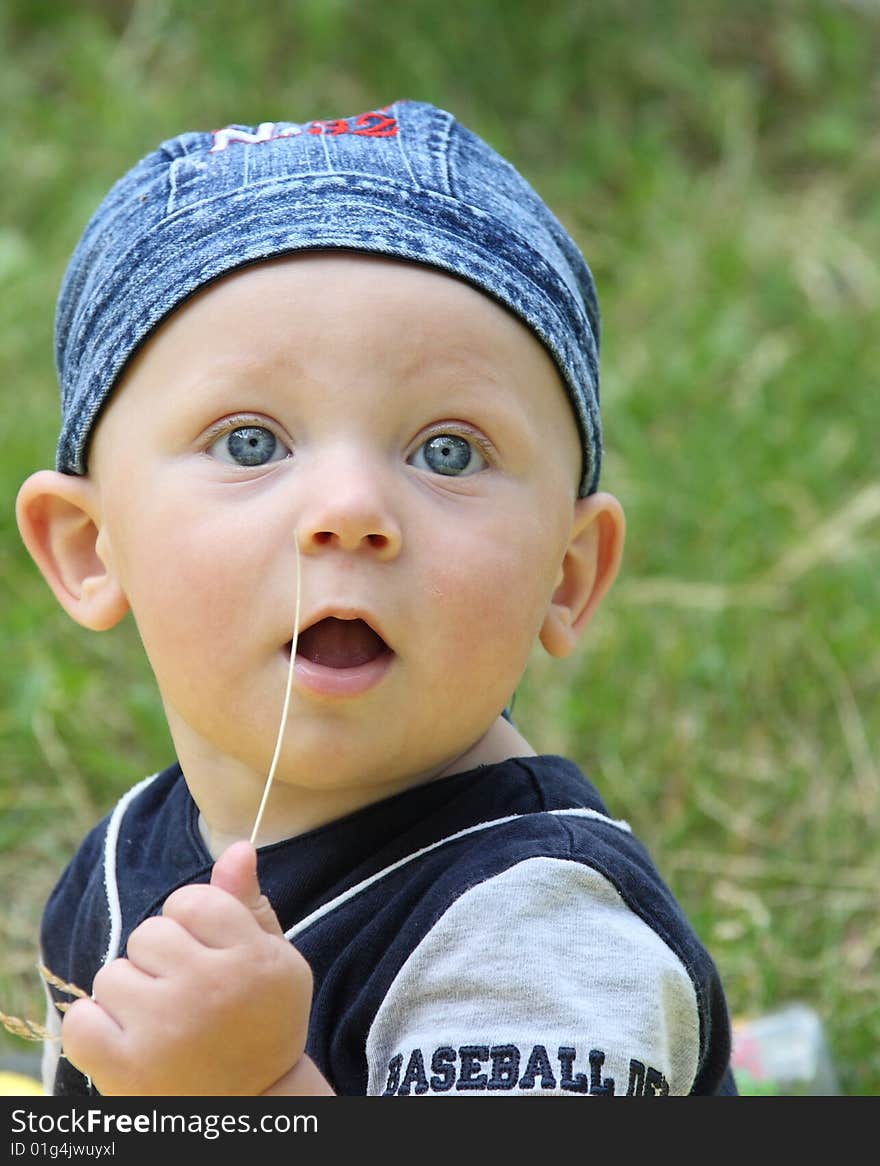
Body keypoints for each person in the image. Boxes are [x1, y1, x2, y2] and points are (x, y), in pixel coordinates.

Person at [16, 100, 737, 1097]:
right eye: (250, 442)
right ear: (90, 548)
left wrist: (253, 1093)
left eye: (448, 451)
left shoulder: (536, 938)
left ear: (565, 575)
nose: (350, 511)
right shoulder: (128, 851)